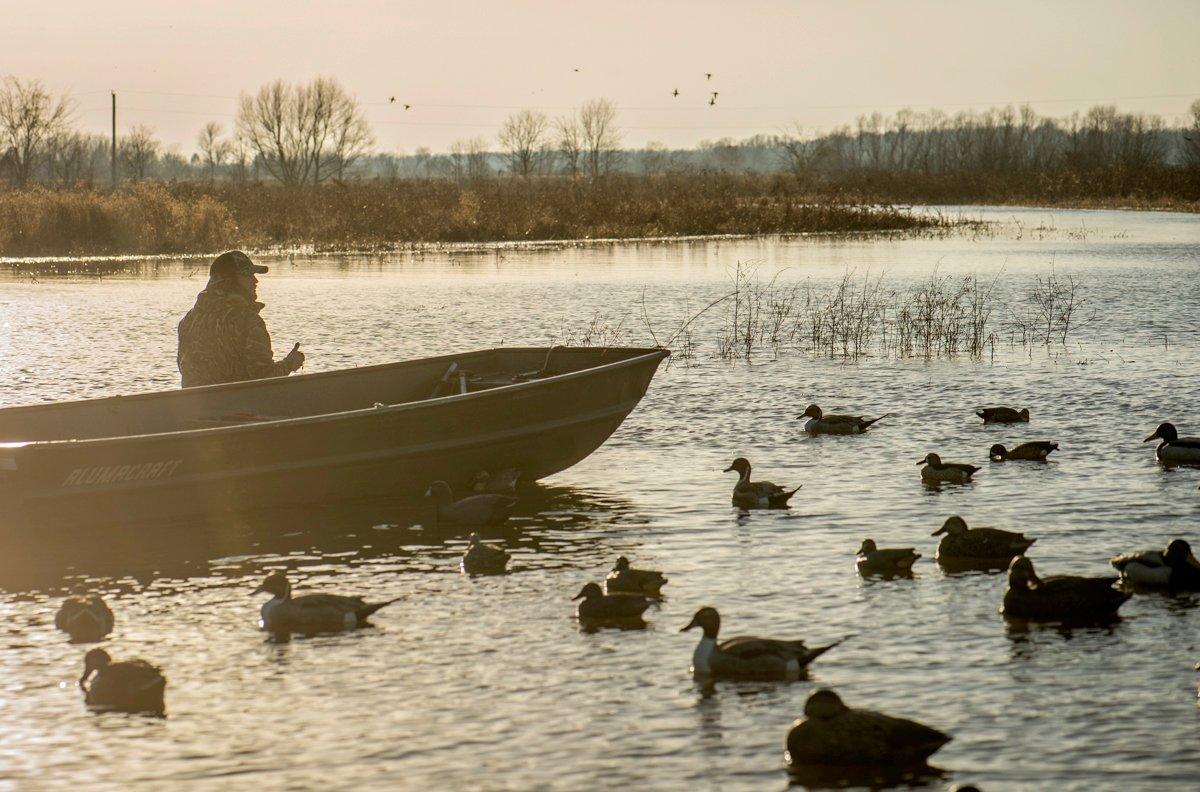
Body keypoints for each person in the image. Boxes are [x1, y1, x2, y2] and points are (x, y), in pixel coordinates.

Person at [177, 251, 305, 388]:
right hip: (238, 405)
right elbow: (263, 377)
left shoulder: (188, 320)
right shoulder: (248, 321)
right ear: (229, 281)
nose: (255, 281)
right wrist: (289, 364)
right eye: (247, 275)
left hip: (193, 405)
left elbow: (184, 368)